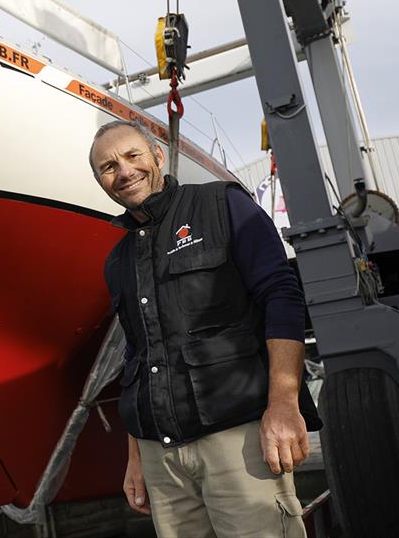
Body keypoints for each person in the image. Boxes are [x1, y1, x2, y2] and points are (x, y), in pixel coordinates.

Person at [89, 120, 322, 538]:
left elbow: (282, 296)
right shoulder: (117, 259)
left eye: (132, 156)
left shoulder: (222, 204)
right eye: (107, 167)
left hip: (239, 442)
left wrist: (285, 404)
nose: (123, 172)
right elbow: (138, 353)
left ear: (158, 157)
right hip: (162, 459)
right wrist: (136, 451)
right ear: (101, 182)